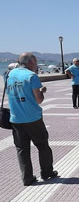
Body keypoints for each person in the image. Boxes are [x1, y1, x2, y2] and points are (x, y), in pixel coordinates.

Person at [6, 52, 58, 186]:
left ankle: (27, 177)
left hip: (16, 118)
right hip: (32, 118)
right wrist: (42, 91)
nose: (36, 66)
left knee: (22, 149)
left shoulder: (10, 75)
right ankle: (47, 172)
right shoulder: (31, 76)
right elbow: (38, 100)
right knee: (42, 146)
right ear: (29, 63)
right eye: (35, 63)